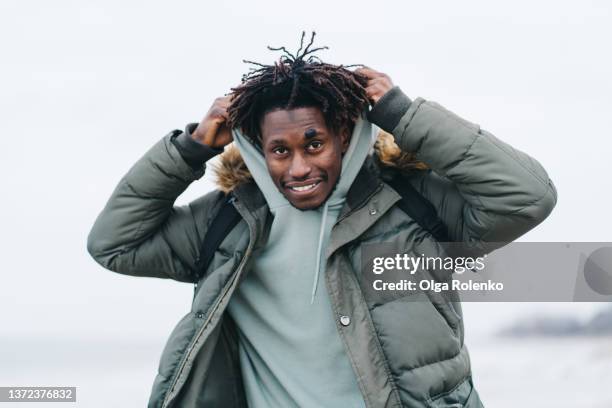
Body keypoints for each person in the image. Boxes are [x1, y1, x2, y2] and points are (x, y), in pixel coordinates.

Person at [87, 33, 557, 408]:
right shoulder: (227, 222)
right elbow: (113, 244)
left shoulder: (413, 205)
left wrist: (402, 114)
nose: (298, 169)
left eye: (314, 144)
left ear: (346, 137)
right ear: (256, 150)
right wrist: (191, 149)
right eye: (279, 151)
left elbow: (527, 197)